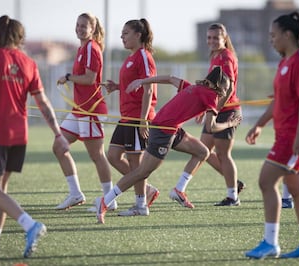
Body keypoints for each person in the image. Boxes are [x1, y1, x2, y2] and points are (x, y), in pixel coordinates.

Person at [0, 15, 69, 258]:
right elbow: (43, 102)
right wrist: (58, 134)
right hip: (19, 136)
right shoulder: (28, 62)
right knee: (0, 190)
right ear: (21, 37)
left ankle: (30, 224)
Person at [94, 66, 242, 224]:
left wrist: (143, 81)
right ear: (216, 86)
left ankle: (178, 190)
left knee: (202, 152)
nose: (225, 93)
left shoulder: (194, 87)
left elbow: (170, 78)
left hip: (171, 127)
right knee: (142, 172)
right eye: (225, 89)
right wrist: (229, 123)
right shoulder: (211, 94)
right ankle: (105, 201)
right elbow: (211, 127)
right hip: (164, 131)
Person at [245, 11, 299, 259]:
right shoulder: (284, 62)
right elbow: (278, 101)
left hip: (294, 137)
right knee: (297, 188)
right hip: (285, 135)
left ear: (288, 35)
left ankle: (270, 242)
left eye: (273, 35)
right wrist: (259, 124)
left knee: (266, 181)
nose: (271, 40)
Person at [54, 12, 116, 211]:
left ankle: (110, 200)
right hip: (79, 110)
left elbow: (90, 79)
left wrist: (68, 77)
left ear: (92, 29)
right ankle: (75, 194)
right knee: (59, 146)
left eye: (84, 26)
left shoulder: (91, 47)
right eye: (78, 25)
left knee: (97, 155)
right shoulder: (83, 48)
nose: (79, 28)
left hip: (91, 110)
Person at [101, 19, 159, 216]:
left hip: (137, 118)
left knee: (136, 163)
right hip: (126, 117)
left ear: (138, 35)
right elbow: (134, 85)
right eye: (122, 33)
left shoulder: (143, 55)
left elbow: (149, 88)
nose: (122, 37)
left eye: (126, 33)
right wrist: (117, 86)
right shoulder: (131, 57)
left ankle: (140, 205)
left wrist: (143, 120)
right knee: (113, 156)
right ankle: (147, 189)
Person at [194, 23, 244, 207]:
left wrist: (214, 110)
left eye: (216, 37)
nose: (212, 41)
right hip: (217, 110)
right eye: (209, 37)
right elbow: (212, 89)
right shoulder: (214, 56)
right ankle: (235, 183)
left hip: (227, 111)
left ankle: (233, 197)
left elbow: (228, 88)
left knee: (223, 154)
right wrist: (203, 109)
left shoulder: (225, 56)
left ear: (224, 38)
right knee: (203, 151)